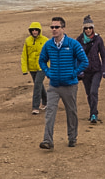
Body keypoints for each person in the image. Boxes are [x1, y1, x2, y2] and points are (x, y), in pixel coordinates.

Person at [38, 16, 88, 149]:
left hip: (70, 85)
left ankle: (72, 138)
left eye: (56, 27)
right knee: (50, 112)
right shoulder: (48, 45)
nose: (54, 29)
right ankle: (47, 140)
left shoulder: (72, 44)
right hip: (54, 85)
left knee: (71, 112)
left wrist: (73, 73)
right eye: (52, 27)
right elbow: (42, 60)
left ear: (63, 28)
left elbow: (84, 61)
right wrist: (48, 73)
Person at [78, 16, 105, 124]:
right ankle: (92, 112)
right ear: (83, 29)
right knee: (88, 94)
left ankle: (94, 114)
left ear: (93, 28)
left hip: (97, 70)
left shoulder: (98, 39)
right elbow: (76, 56)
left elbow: (104, 56)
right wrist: (79, 71)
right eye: (86, 28)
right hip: (85, 71)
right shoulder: (79, 40)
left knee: (93, 91)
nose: (88, 30)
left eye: (90, 28)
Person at [21, 21, 49, 114]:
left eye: (36, 30)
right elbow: (24, 55)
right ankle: (46, 101)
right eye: (32, 30)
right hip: (32, 67)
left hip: (42, 67)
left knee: (37, 85)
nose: (34, 31)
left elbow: (51, 54)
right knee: (39, 85)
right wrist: (24, 69)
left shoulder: (45, 40)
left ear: (39, 30)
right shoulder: (27, 40)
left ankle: (35, 107)